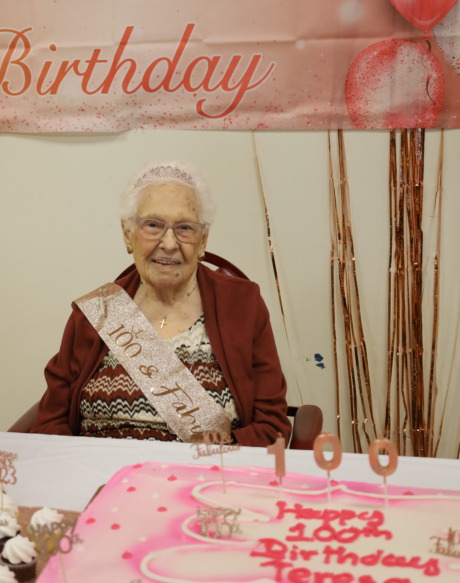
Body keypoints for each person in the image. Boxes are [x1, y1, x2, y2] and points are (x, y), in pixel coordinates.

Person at [29, 160, 290, 447]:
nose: (168, 243)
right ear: (128, 234)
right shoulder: (97, 313)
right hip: (102, 478)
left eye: (185, 228)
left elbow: (272, 428)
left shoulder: (242, 305)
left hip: (202, 479)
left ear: (203, 240)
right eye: (152, 225)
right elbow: (49, 422)